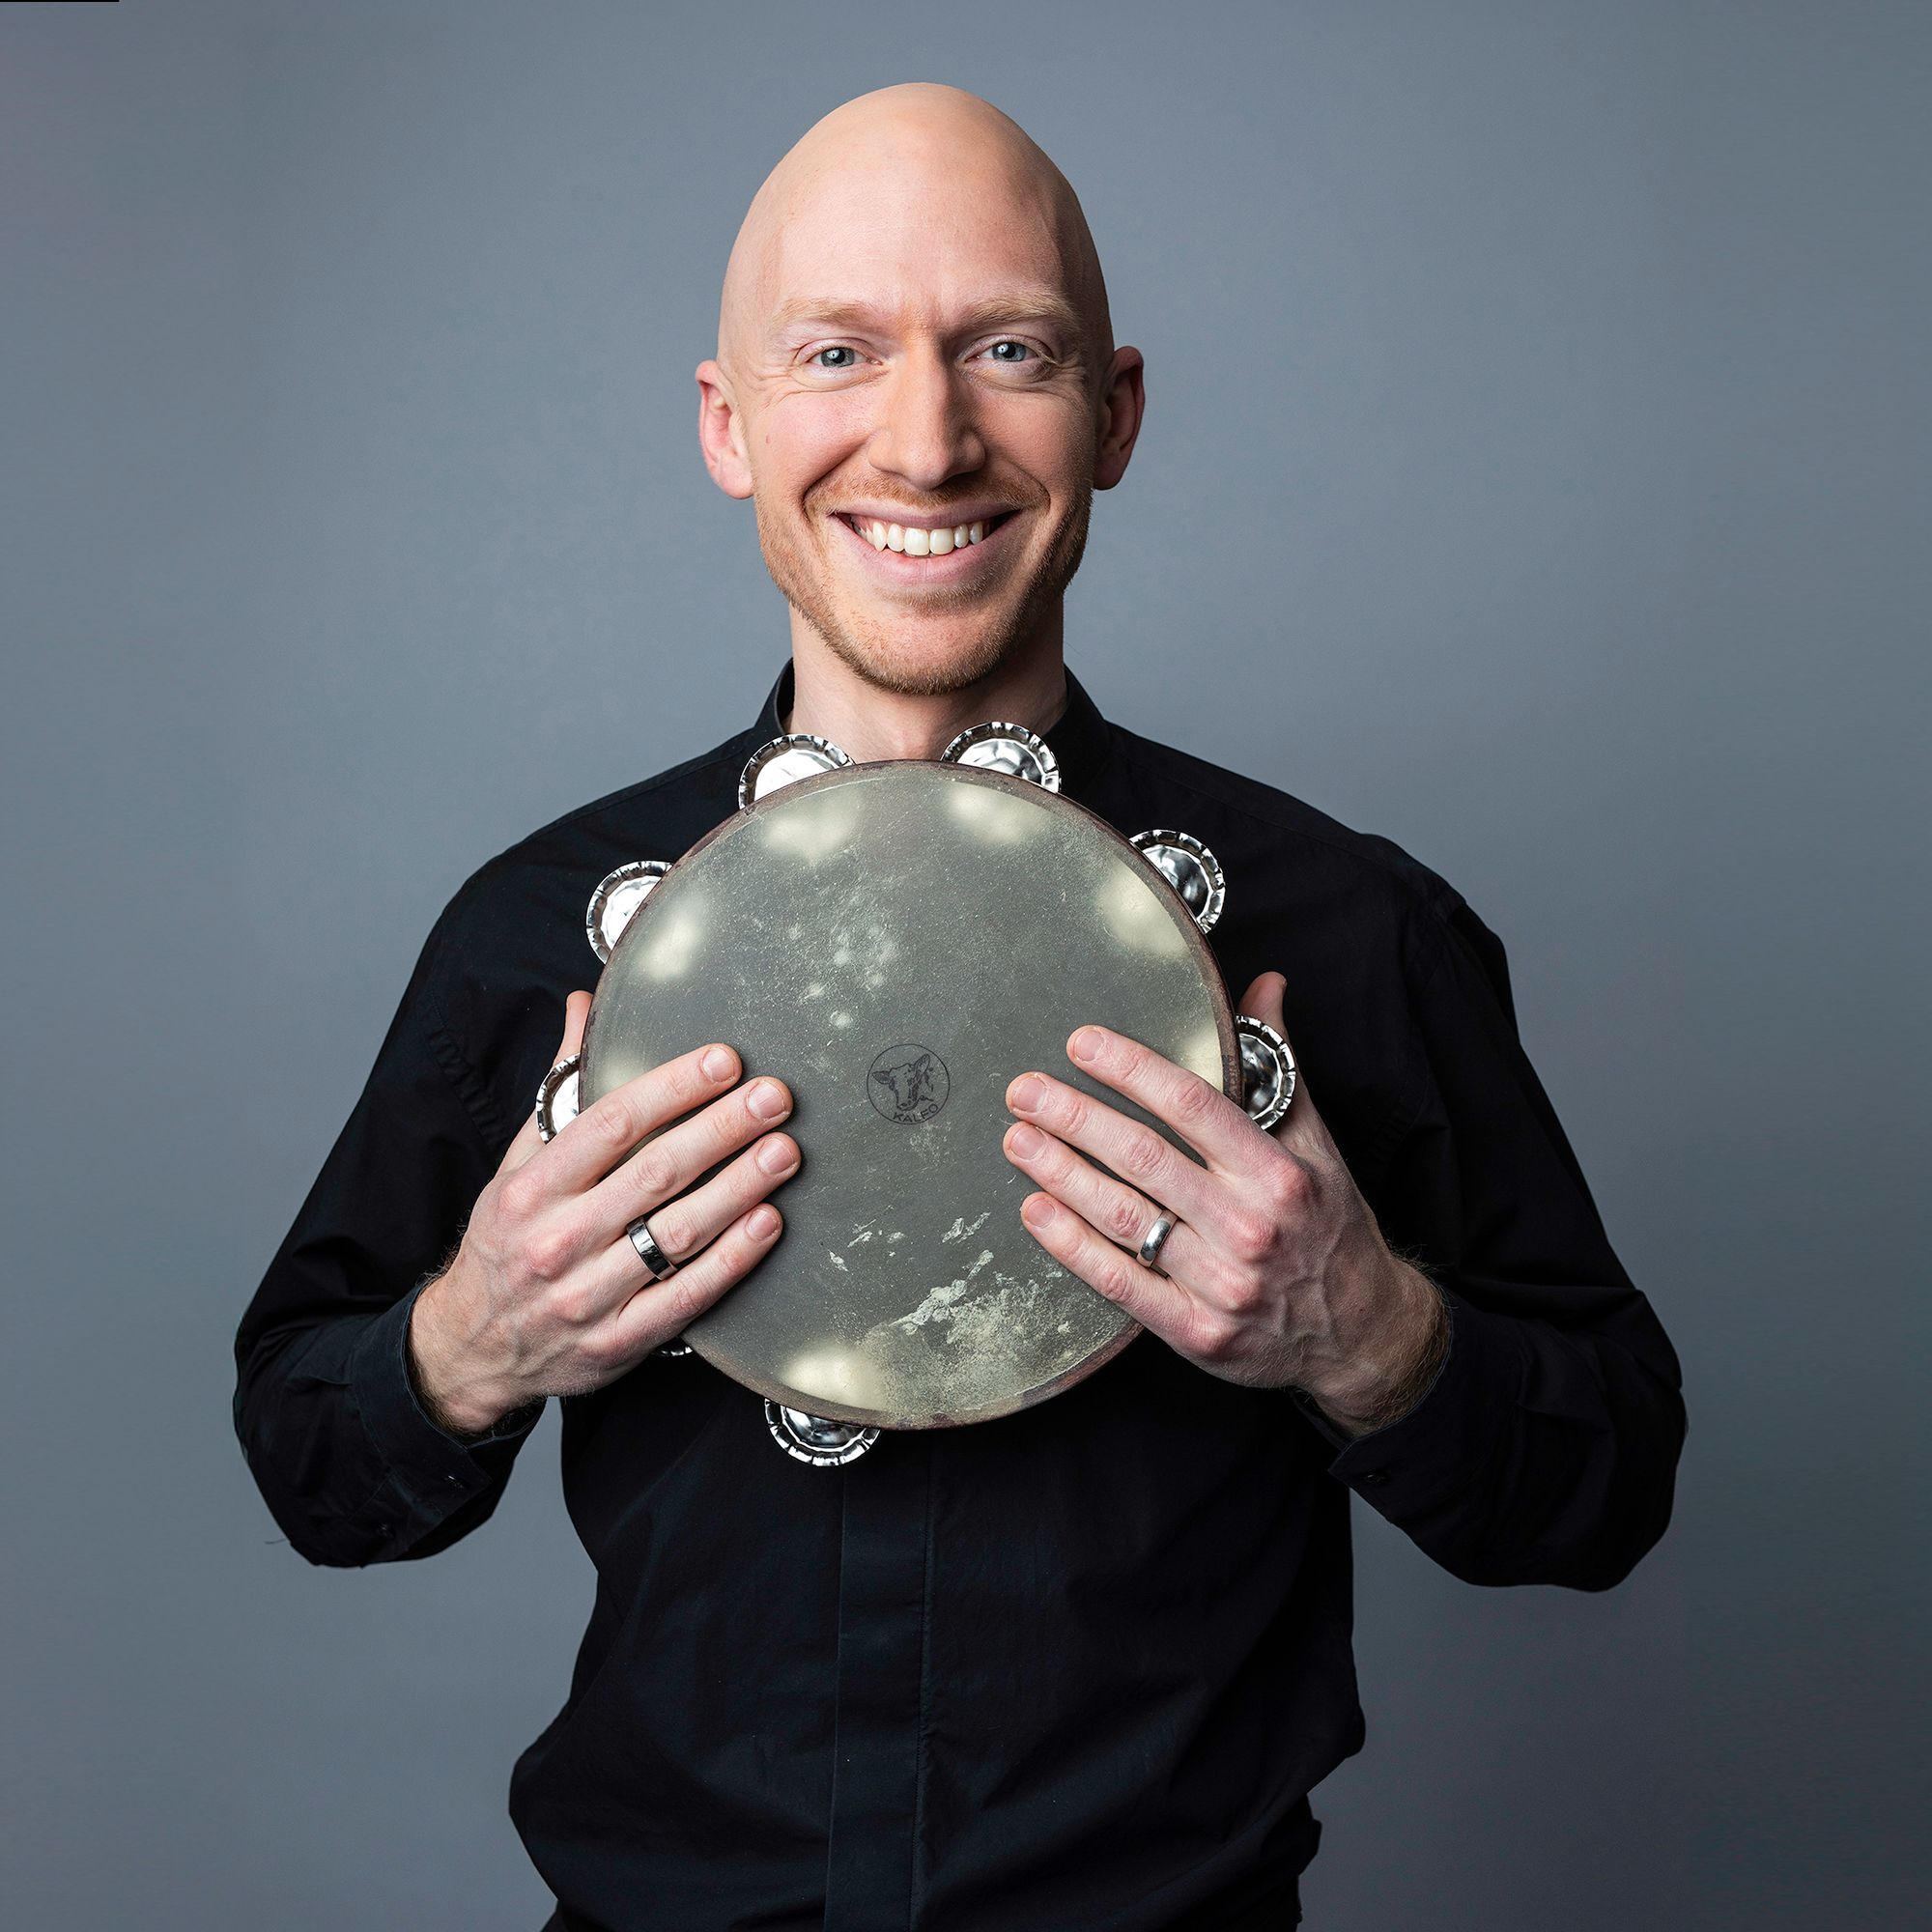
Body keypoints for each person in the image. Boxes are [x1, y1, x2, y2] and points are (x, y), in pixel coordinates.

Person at [234, 83, 1686, 1932]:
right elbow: (311, 1456)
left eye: (1008, 348)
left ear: (1116, 413)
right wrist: (476, 1340)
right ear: (729, 425)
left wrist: (1365, 1329)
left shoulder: (1348, 928)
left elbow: (1606, 1484)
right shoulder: (538, 933)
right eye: (836, 353)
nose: (924, 444)